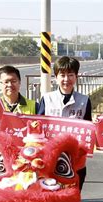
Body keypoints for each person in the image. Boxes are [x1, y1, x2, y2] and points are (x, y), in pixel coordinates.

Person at [37, 56, 92, 190]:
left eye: (70, 75)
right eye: (62, 75)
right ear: (56, 77)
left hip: (75, 161)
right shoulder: (47, 99)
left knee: (73, 200)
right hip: (51, 160)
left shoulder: (84, 100)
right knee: (52, 201)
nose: (66, 79)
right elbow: (38, 126)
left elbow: (89, 129)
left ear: (76, 77)